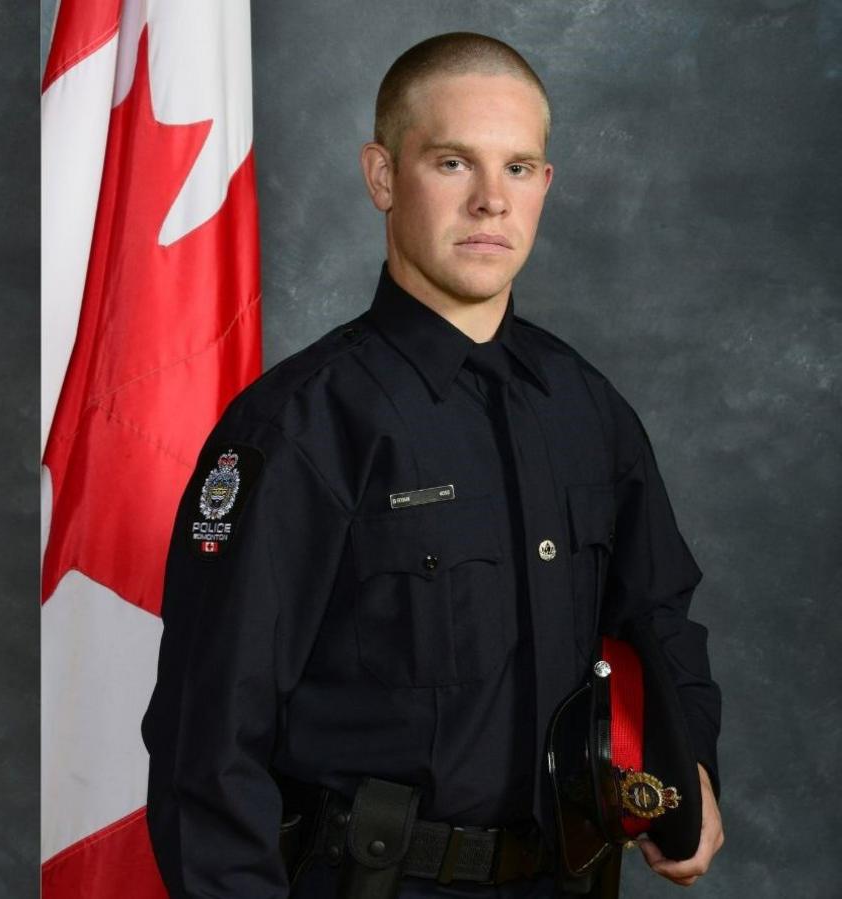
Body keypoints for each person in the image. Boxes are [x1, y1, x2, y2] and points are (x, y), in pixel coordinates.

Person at [142, 32, 723, 898]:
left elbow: (659, 612)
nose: (493, 201)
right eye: (454, 163)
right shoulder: (300, 428)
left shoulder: (585, 406)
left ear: (545, 186)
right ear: (383, 176)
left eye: (519, 168)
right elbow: (209, 743)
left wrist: (690, 766)